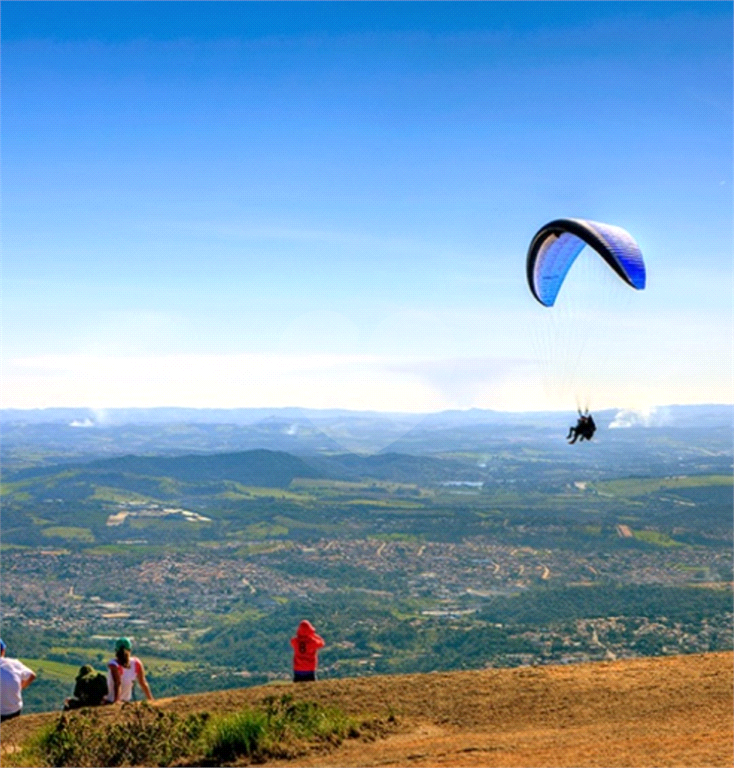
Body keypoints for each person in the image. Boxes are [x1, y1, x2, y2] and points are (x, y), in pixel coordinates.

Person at [103, 637, 154, 704]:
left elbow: (117, 683)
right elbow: (143, 682)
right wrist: (151, 699)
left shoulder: (113, 664)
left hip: (111, 701)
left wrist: (116, 701)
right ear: (130, 650)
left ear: (116, 651)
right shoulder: (136, 663)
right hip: (125, 701)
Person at [0, 638, 36, 722]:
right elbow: (32, 675)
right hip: (13, 710)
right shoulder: (14, 663)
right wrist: (20, 687)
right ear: (3, 651)